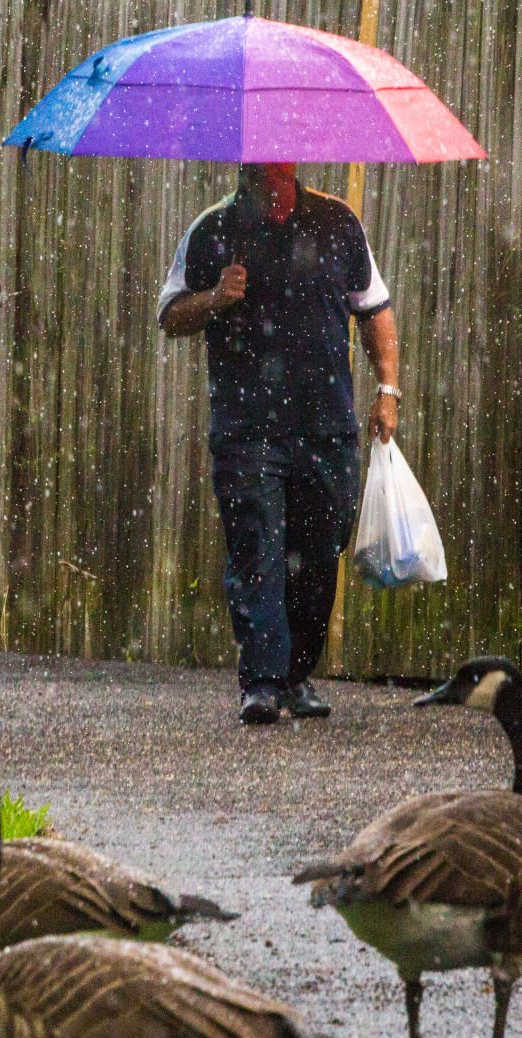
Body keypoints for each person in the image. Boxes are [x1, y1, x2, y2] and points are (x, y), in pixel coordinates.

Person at [158, 162, 401, 725]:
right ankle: (262, 682)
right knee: (257, 550)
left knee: (322, 548)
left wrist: (387, 388)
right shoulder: (212, 230)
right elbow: (170, 314)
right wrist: (216, 297)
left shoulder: (339, 224)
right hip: (247, 429)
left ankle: (296, 676)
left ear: (293, 165)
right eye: (255, 170)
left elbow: (375, 310)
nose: (266, 178)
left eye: (276, 167)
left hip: (326, 427)